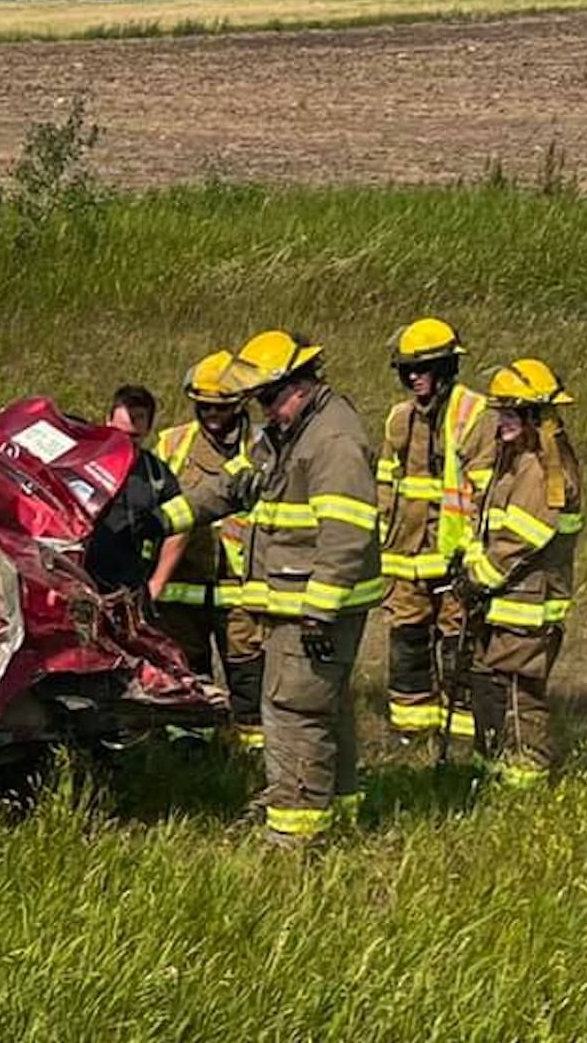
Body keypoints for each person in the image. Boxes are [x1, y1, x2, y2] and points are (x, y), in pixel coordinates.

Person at [186, 330, 383, 844]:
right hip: (299, 604)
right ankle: (337, 815)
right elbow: (238, 486)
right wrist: (163, 516)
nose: (265, 410)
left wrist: (320, 612)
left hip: (313, 609)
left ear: (299, 384)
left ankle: (293, 837)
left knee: (293, 711)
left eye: (270, 398)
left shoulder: (333, 440)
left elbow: (346, 536)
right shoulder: (289, 434)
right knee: (324, 708)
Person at [457, 359, 582, 788]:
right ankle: (491, 771)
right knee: (490, 686)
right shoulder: (516, 460)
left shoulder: (545, 470)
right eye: (500, 413)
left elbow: (520, 538)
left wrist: (479, 578)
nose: (502, 422)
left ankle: (525, 781)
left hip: (528, 605)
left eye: (511, 414)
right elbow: (488, 523)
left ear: (535, 416)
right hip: (503, 602)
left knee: (518, 694)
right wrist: (471, 565)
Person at [375, 318, 497, 742]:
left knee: (457, 645)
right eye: (406, 369)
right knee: (406, 643)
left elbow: (486, 495)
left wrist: (475, 554)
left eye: (422, 368)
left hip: (455, 558)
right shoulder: (399, 419)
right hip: (405, 558)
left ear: (447, 367)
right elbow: (385, 485)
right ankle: (411, 733)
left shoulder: (475, 415)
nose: (413, 377)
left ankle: (462, 735)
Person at [153, 352, 265, 748]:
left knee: (248, 671)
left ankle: (256, 750)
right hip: (181, 587)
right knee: (187, 669)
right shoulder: (173, 443)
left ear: (241, 403)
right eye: (205, 407)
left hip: (243, 586)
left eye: (222, 407)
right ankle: (189, 749)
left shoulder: (264, 445)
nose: (212, 415)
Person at [84, 385, 192, 598]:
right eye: (119, 434)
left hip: (125, 593)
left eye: (133, 437)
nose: (125, 443)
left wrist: (157, 583)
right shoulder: (81, 460)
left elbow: (182, 527)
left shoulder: (157, 476)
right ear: (108, 420)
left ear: (148, 430)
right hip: (78, 584)